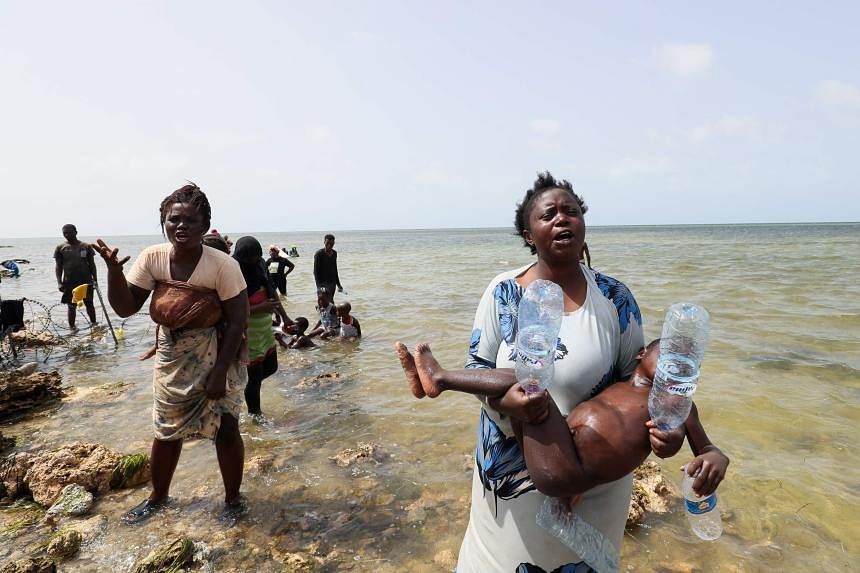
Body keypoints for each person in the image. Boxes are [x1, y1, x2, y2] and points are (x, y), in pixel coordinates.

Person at [403, 171, 686, 572]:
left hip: (594, 483)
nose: (562, 218)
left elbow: (640, 384)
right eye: (548, 213)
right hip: (511, 478)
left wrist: (669, 433)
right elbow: (478, 369)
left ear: (584, 224)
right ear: (528, 234)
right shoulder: (503, 292)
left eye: (571, 211)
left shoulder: (615, 297)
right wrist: (509, 400)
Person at [94, 184, 249, 525]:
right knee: (166, 430)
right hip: (171, 356)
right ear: (163, 222)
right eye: (173, 219)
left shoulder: (221, 265)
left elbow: (239, 319)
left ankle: (234, 500)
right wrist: (113, 272)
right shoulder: (153, 257)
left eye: (191, 221)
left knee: (225, 427)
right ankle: (158, 497)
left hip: (216, 351)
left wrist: (221, 370)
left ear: (206, 224)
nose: (181, 227)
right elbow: (124, 308)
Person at [396, 339, 729, 498]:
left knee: (526, 382)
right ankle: (435, 381)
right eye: (668, 352)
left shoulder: (675, 403)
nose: (676, 362)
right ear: (641, 352)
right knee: (526, 383)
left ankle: (439, 379)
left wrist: (712, 456)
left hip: (571, 469)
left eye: (684, 362)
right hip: (557, 455)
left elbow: (707, 448)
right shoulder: (618, 383)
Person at [233, 237, 293, 420]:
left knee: (272, 367)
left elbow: (272, 292)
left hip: (265, 329)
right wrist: (260, 308)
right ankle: (255, 416)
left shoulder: (260, 265)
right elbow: (230, 309)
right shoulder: (233, 271)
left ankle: (246, 387)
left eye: (256, 258)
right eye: (249, 260)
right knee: (255, 378)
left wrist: (285, 317)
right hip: (247, 332)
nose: (253, 262)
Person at [54, 224, 98, 330]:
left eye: (69, 232)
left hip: (86, 281)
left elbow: (92, 265)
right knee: (71, 306)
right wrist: (59, 282)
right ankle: (72, 328)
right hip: (69, 282)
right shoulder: (60, 248)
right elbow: (58, 267)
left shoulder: (86, 246)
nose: (67, 235)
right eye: (65, 233)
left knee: (89, 304)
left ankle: (94, 326)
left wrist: (95, 280)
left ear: (76, 232)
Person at [313, 234, 344, 299]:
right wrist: (319, 286)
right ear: (324, 242)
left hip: (332, 283)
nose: (329, 246)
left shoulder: (334, 253)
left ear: (334, 243)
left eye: (331, 244)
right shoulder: (319, 254)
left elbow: (335, 268)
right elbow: (315, 271)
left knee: (330, 302)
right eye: (327, 243)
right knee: (322, 303)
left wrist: (338, 284)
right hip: (322, 283)